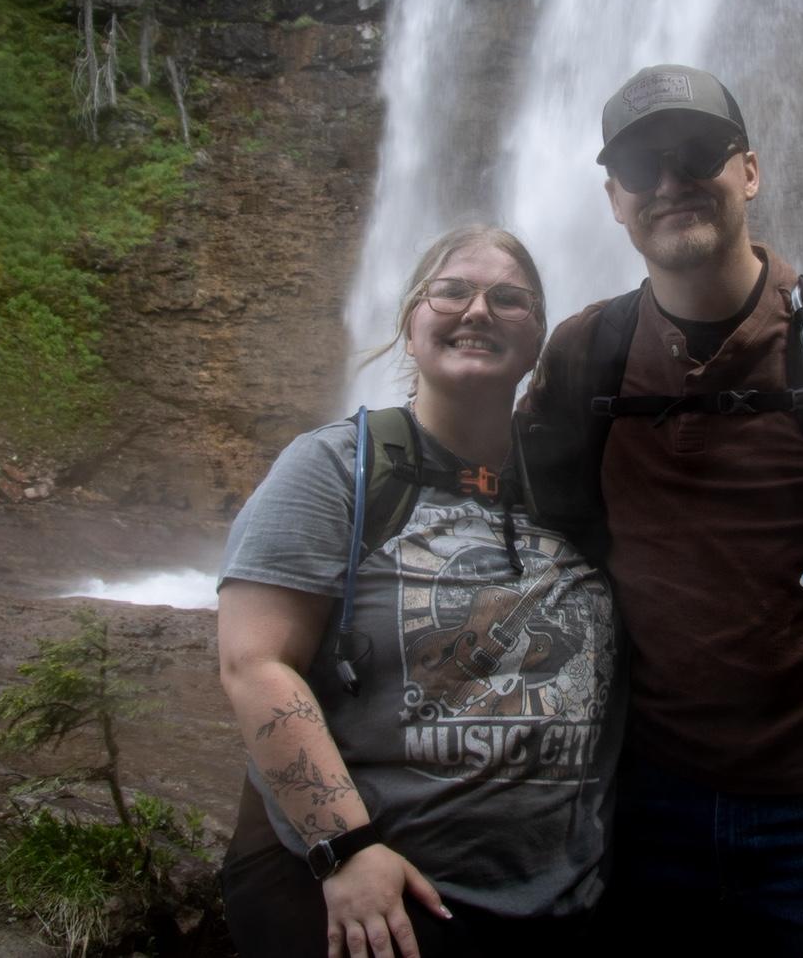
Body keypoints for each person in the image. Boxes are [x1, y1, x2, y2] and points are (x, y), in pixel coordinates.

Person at [520, 65, 803, 955]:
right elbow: (525, 524)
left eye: (698, 151)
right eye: (641, 166)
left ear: (749, 170)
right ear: (615, 199)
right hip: (645, 800)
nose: (671, 181)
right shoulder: (584, 356)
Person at [217, 226, 622, 958]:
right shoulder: (336, 467)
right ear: (410, 323)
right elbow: (255, 664)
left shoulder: (575, 485)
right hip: (370, 896)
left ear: (538, 341)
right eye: (451, 291)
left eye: (510, 299)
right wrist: (346, 848)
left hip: (563, 902)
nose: (478, 310)